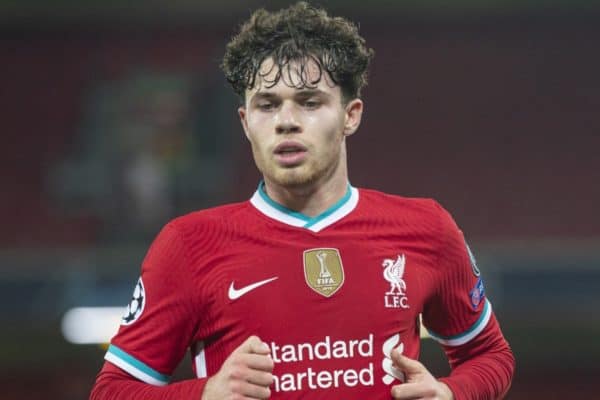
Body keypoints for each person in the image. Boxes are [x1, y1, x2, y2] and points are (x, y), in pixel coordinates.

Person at [90, 2, 515, 399]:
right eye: (267, 105)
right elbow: (111, 390)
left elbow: (491, 355)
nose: (286, 122)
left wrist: (451, 392)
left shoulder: (427, 229)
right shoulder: (188, 245)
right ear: (245, 122)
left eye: (310, 102)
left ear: (351, 115)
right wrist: (203, 393)